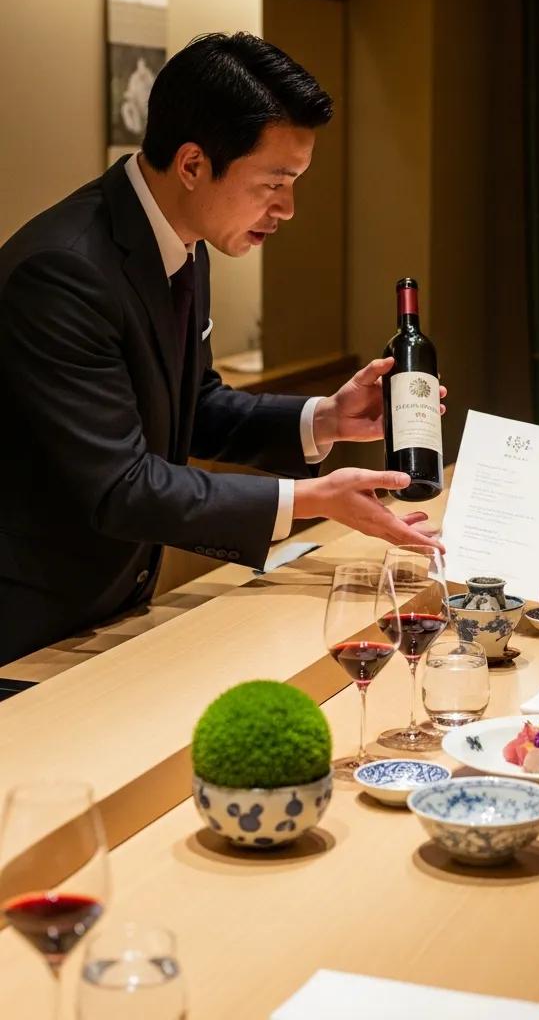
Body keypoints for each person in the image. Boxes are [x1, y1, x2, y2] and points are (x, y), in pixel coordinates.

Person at [0, 33, 442, 665]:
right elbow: (121, 485)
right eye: (275, 183)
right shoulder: (62, 272)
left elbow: (194, 404)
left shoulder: (183, 238)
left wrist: (326, 418)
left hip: (106, 611)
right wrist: (311, 499)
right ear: (192, 164)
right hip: (28, 627)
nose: (287, 208)